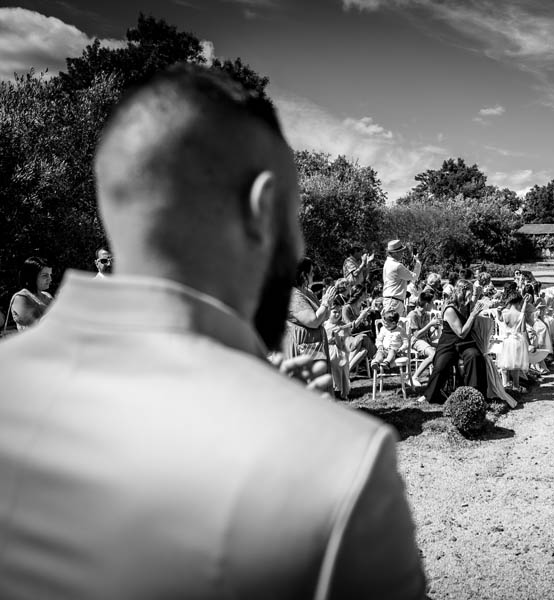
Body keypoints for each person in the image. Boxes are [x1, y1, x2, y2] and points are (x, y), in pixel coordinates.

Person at [0, 65, 424, 599]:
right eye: (297, 219)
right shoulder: (341, 467)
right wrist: (286, 421)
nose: (296, 248)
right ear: (265, 208)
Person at [417, 279, 489, 403]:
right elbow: (461, 333)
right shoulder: (450, 309)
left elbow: (474, 302)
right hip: (449, 343)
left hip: (465, 343)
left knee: (475, 356)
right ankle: (430, 395)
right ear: (463, 291)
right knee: (441, 365)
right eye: (469, 292)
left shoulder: (466, 305)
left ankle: (474, 393)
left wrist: (477, 294)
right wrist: (473, 315)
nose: (471, 295)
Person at [284, 257, 337, 381]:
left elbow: (325, 316)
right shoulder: (294, 295)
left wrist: (328, 303)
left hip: (315, 345)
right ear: (303, 274)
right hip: (302, 345)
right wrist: (325, 303)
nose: (313, 274)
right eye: (311, 271)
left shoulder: (307, 292)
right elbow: (312, 322)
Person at [6, 256, 54, 331]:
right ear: (32, 277)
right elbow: (35, 326)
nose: (50, 279)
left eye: (50, 275)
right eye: (45, 275)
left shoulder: (47, 296)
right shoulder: (21, 298)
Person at [498, 291, 530, 392]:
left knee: (505, 363)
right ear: (518, 303)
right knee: (515, 365)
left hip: (506, 341)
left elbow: (500, 320)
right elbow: (523, 330)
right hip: (516, 341)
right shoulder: (520, 315)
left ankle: (505, 384)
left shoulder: (505, 314)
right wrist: (529, 344)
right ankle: (516, 386)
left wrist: (499, 312)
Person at [341, 283, 377, 371]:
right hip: (349, 339)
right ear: (359, 294)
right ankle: (345, 372)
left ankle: (345, 371)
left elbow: (367, 328)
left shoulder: (363, 307)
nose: (367, 295)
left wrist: (367, 319)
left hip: (362, 340)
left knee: (364, 349)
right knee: (362, 338)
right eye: (365, 293)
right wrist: (361, 317)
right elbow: (349, 328)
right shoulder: (346, 309)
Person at [407, 290, 440, 387]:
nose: (433, 305)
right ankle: (414, 377)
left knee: (445, 347)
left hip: (425, 341)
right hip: (416, 341)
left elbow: (427, 334)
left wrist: (434, 328)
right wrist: (430, 325)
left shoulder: (426, 314)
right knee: (433, 354)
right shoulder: (413, 315)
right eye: (432, 303)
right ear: (426, 304)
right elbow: (416, 335)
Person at [382, 239, 421, 317]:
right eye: (400, 252)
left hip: (391, 300)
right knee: (396, 327)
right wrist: (417, 262)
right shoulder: (397, 266)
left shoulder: (387, 263)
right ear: (395, 253)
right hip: (394, 302)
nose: (402, 254)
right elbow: (414, 276)